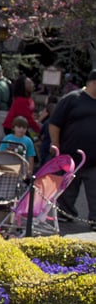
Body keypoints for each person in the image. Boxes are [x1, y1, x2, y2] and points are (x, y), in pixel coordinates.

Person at [48, 70, 96, 229]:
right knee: (67, 188)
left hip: (94, 158)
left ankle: (94, 219)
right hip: (71, 156)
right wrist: (55, 144)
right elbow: (55, 123)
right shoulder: (72, 99)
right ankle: (64, 213)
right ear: (93, 82)